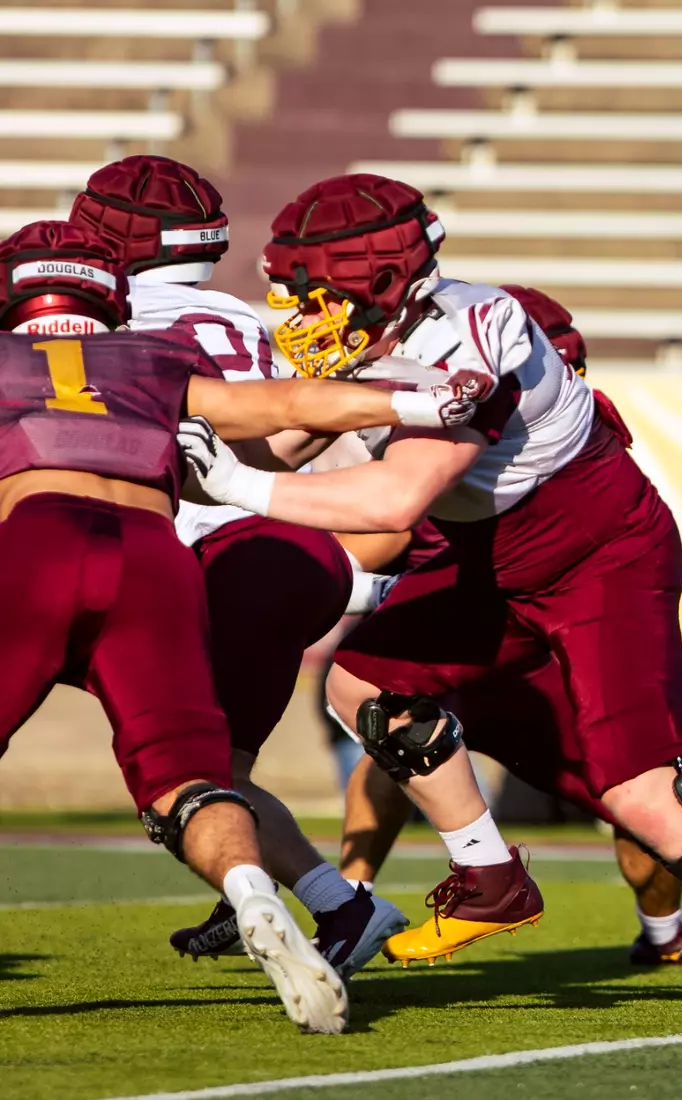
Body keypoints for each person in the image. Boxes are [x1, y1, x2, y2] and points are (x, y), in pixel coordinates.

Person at [184, 174, 682, 1029]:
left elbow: (393, 499)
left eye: (317, 296)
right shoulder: (383, 331)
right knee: (363, 683)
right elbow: (279, 440)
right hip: (494, 558)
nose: (304, 316)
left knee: (639, 791)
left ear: (379, 282)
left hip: (599, 557)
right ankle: (490, 875)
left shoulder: (469, 337)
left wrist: (231, 482)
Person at [0, 221, 475, 1032]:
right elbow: (285, 402)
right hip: (154, 560)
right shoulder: (150, 358)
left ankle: (300, 901)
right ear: (107, 298)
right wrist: (418, 400)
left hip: (37, 539)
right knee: (191, 776)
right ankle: (254, 893)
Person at [324, 287, 682, 971]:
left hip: (537, 642)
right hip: (469, 628)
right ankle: (351, 900)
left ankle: (667, 933)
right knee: (391, 724)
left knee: (637, 787)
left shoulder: (556, 439)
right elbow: (385, 529)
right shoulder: (444, 416)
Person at [68, 154, 411, 972]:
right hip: (272, 547)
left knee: (177, 779)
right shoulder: (232, 315)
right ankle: (281, 891)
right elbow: (269, 449)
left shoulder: (99, 320)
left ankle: (315, 896)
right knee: (221, 773)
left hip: (176, 562)